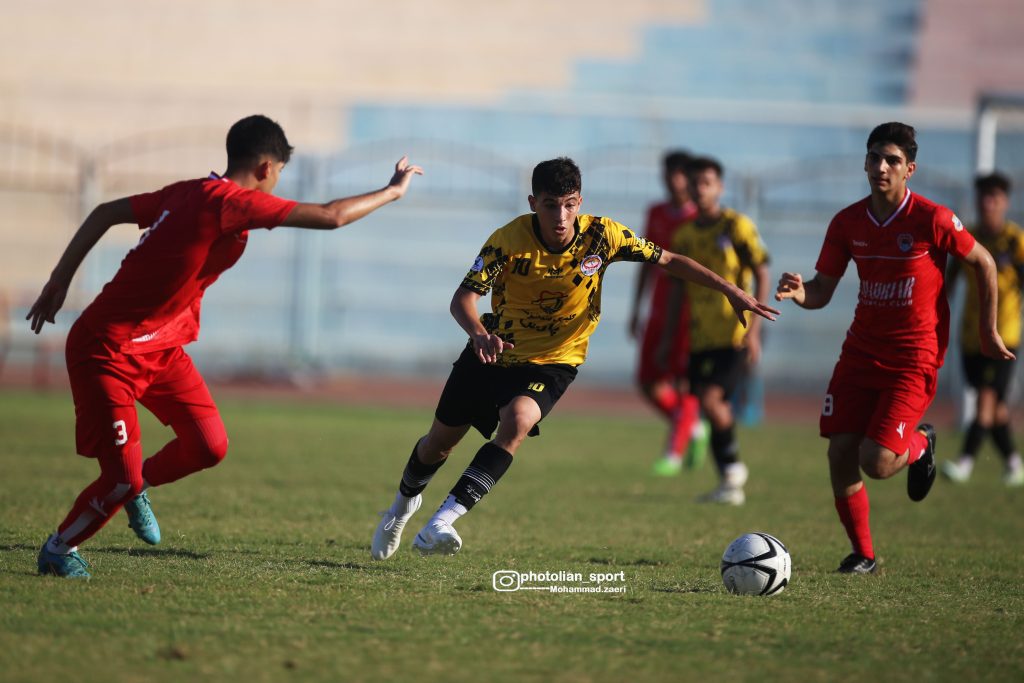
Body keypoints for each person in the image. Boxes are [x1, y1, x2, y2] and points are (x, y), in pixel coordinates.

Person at [28, 114, 423, 578]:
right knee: (118, 478)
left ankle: (137, 488)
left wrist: (60, 278)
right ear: (263, 167)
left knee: (208, 445)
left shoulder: (191, 192)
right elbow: (331, 216)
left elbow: (103, 212)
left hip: (161, 346)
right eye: (278, 174)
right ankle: (59, 548)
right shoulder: (228, 202)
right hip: (107, 350)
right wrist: (392, 192)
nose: (277, 185)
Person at [370, 157, 779, 560]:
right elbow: (463, 299)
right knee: (437, 445)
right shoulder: (507, 240)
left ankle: (442, 523)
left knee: (518, 421)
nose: (561, 216)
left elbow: (669, 260)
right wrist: (479, 334)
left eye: (569, 204)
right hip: (493, 351)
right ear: (534, 203)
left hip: (555, 361)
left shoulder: (604, 236)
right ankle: (401, 509)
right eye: (550, 205)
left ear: (579, 201)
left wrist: (729, 289)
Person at [775, 122, 1013, 575]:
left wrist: (987, 330)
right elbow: (823, 288)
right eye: (874, 158)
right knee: (840, 452)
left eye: (892, 161)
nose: (881, 167)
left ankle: (920, 445)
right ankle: (863, 554)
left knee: (878, 463)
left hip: (914, 357)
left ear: (910, 170)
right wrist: (799, 291)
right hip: (861, 353)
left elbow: (983, 261)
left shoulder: (932, 218)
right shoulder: (847, 222)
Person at [658, 156, 771, 505]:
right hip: (700, 335)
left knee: (711, 400)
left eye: (707, 183)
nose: (700, 189)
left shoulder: (736, 226)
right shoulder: (685, 235)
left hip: (734, 333)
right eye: (694, 183)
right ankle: (728, 481)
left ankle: (734, 470)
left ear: (720, 187)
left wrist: (753, 331)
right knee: (701, 401)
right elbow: (677, 288)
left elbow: (762, 269)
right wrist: (667, 335)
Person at [628, 150, 709, 477]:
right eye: (666, 173)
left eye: (675, 174)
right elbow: (646, 264)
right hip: (660, 308)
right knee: (648, 382)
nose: (670, 180)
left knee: (683, 381)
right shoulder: (656, 213)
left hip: (689, 313)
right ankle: (694, 427)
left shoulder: (700, 220)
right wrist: (637, 308)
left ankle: (673, 454)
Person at [942, 172, 1024, 486]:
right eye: (983, 197)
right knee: (994, 408)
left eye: (995, 197)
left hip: (1004, 336)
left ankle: (965, 462)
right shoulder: (967, 239)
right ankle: (1014, 463)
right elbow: (947, 285)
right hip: (970, 337)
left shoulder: (1016, 242)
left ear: (1005, 202)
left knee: (986, 402)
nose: (988, 203)